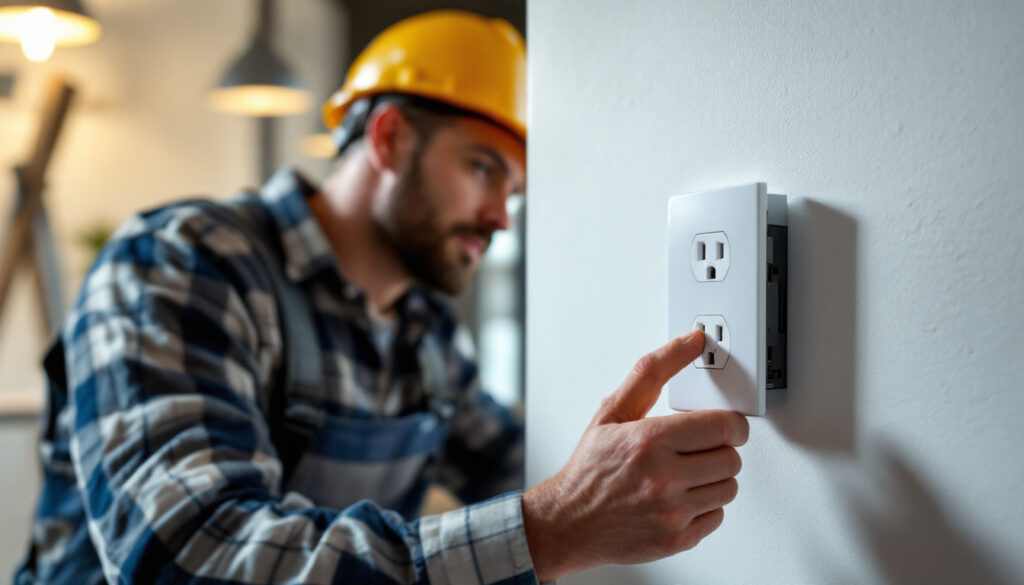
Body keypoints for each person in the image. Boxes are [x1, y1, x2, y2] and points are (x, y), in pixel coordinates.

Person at [14, 10, 748, 585]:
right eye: (483, 168)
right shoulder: (181, 264)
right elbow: (184, 559)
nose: (499, 216)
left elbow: (529, 466)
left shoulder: (425, 334)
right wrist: (548, 528)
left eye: (513, 191)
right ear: (391, 138)